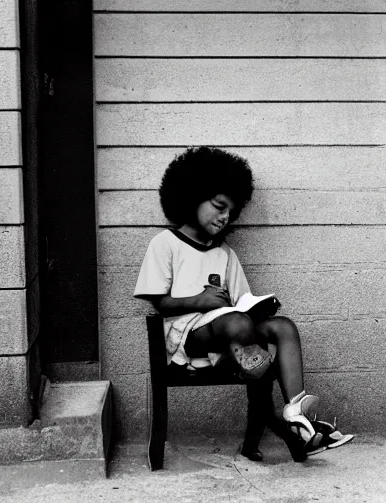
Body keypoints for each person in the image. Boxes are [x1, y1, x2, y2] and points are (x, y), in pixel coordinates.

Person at [134, 146, 353, 462]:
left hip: (231, 331)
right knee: (237, 325)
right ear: (191, 196)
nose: (224, 217)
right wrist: (200, 300)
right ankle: (259, 381)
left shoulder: (225, 255)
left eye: (230, 212)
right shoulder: (165, 244)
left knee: (282, 326)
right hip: (186, 337)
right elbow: (159, 303)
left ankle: (295, 410)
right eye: (219, 206)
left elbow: (240, 304)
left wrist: (257, 310)